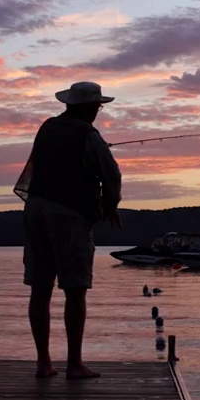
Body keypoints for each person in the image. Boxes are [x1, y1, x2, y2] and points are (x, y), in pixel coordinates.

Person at [14, 81, 122, 379]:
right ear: (89, 107)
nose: (99, 112)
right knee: (75, 289)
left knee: (40, 288)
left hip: (35, 210)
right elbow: (111, 173)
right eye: (98, 107)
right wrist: (110, 205)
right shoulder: (89, 135)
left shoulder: (47, 128)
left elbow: (36, 169)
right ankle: (74, 364)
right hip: (69, 214)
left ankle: (43, 363)